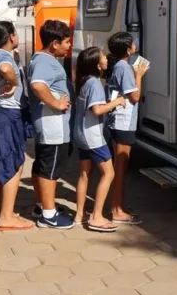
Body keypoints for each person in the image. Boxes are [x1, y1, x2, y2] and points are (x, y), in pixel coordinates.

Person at [0, 21, 33, 231]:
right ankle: (6, 216)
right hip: (7, 116)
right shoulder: (3, 56)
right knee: (14, 164)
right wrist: (15, 82)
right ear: (11, 36)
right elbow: (5, 68)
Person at [28, 20, 74, 229]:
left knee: (42, 165)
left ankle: (43, 205)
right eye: (66, 42)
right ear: (54, 43)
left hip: (49, 125)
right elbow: (38, 85)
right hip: (52, 126)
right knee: (50, 170)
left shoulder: (45, 59)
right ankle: (48, 215)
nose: (69, 46)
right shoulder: (44, 62)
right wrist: (56, 103)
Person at [73, 47, 125, 232]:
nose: (106, 58)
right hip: (92, 136)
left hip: (80, 134)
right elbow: (97, 110)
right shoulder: (94, 83)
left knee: (84, 174)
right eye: (103, 56)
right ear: (97, 64)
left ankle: (79, 214)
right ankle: (96, 216)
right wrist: (116, 102)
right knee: (108, 173)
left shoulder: (83, 81)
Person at [105, 32, 149, 225]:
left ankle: (118, 205)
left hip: (119, 122)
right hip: (123, 122)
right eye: (132, 43)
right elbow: (135, 97)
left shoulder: (120, 66)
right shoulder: (124, 68)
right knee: (121, 166)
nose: (135, 44)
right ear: (127, 49)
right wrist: (139, 75)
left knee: (120, 165)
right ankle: (117, 210)